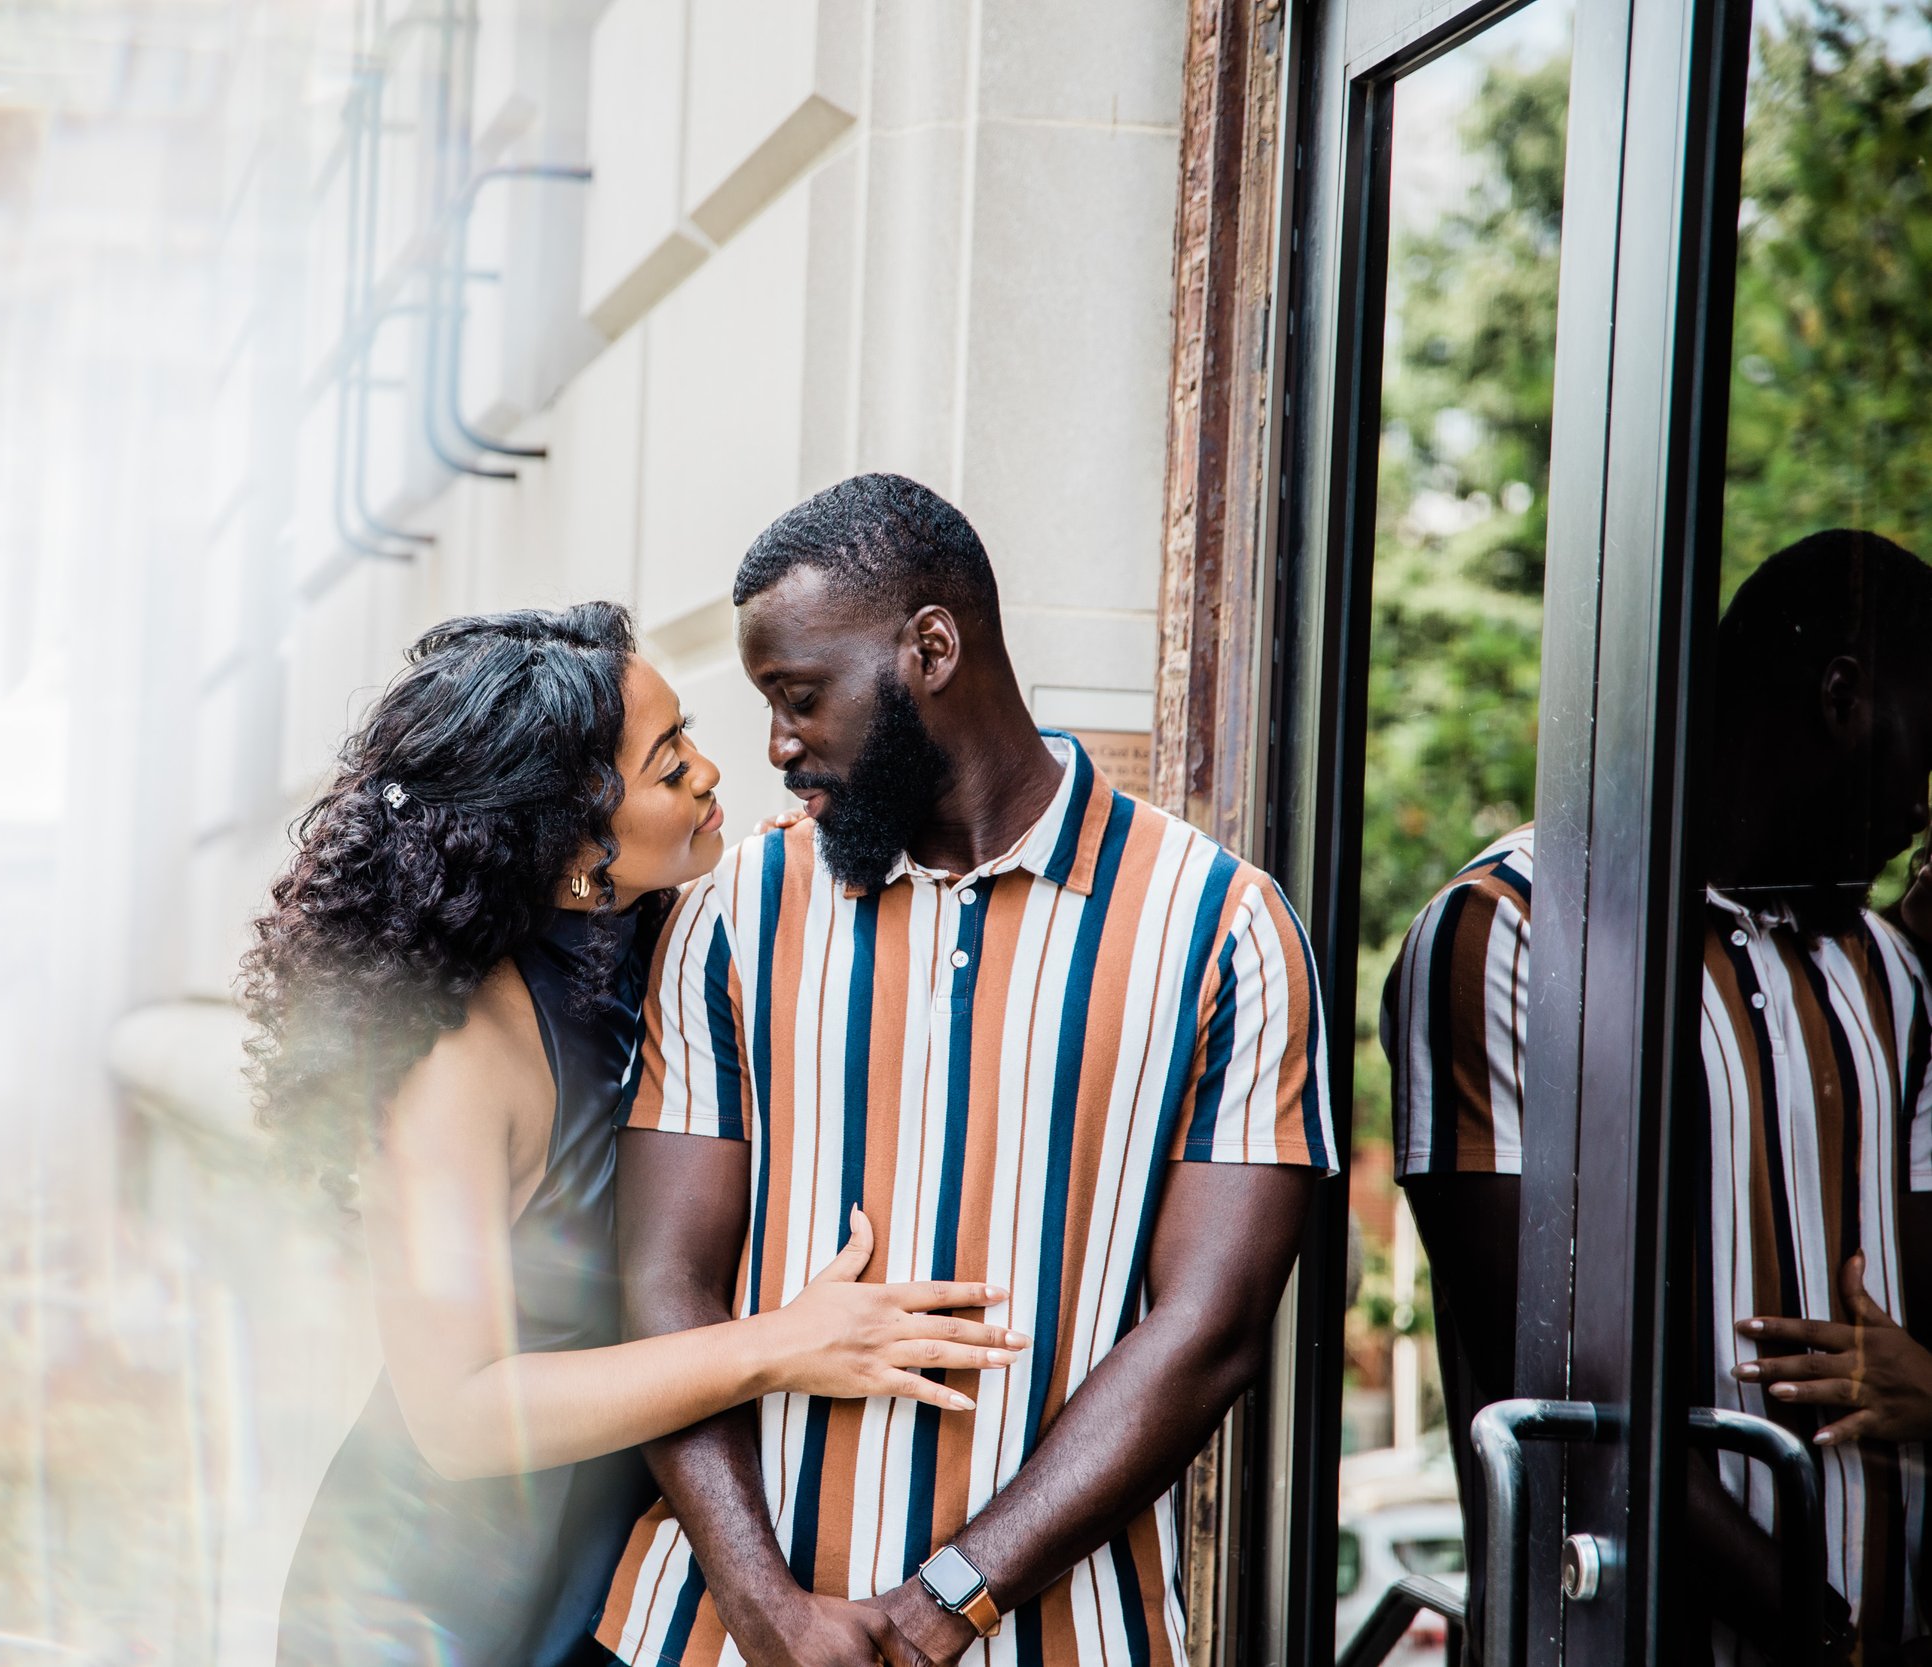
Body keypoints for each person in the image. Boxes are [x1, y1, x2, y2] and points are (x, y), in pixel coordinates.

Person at [595, 476, 1335, 1667]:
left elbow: (1212, 1326)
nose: (777, 746)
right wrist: (762, 1604)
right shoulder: (736, 906)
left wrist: (946, 1603)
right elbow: (661, 1276)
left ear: (930, 647)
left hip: (1062, 1641)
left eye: (799, 697)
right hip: (709, 1636)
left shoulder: (1220, 923)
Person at [250, 603, 1029, 1667]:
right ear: (572, 845)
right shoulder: (457, 1057)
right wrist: (783, 1344)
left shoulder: (632, 938)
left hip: (589, 1570)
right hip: (427, 1609)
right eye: (669, 767)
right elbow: (456, 1413)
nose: (711, 772)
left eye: (688, 736)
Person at [1385, 530, 1932, 1663]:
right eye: (1926, 753)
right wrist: (1818, 1631)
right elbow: (1560, 1375)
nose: (1924, 809)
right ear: (1842, 697)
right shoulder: (1518, 932)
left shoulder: (1893, 974)